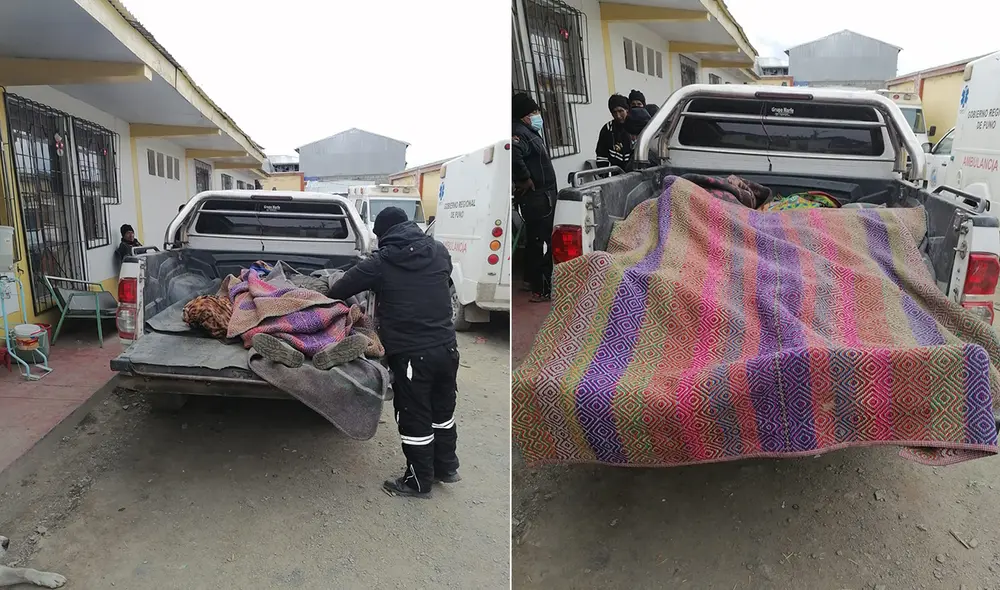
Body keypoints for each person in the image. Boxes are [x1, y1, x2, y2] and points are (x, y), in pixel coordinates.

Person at [327, 207, 460, 498]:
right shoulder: (438, 251)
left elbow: (341, 288)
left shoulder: (381, 262)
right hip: (448, 347)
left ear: (383, 234)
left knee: (415, 416)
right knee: (442, 410)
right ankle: (446, 467)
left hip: (413, 353)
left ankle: (418, 482)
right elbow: (442, 274)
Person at [511, 92, 556, 302]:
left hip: (541, 196)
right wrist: (525, 178)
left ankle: (531, 280)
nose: (538, 115)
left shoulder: (528, 131)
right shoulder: (520, 133)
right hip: (538, 197)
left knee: (535, 241)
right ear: (524, 115)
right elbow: (514, 154)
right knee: (542, 242)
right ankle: (542, 288)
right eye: (534, 112)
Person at [596, 94, 632, 170]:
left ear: (627, 110)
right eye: (614, 112)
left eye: (620, 111)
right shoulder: (607, 129)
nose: (618, 116)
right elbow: (601, 155)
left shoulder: (635, 127)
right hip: (616, 175)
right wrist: (605, 175)